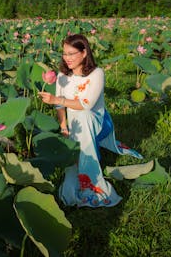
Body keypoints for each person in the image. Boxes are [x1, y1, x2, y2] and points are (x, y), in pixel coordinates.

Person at [38, 34, 142, 208]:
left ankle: (91, 181)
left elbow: (86, 105)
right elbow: (59, 109)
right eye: (64, 54)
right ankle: (84, 165)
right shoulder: (62, 76)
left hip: (97, 122)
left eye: (72, 54)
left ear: (84, 52)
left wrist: (57, 100)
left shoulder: (96, 74)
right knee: (76, 125)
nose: (67, 58)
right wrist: (63, 127)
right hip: (73, 126)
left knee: (83, 115)